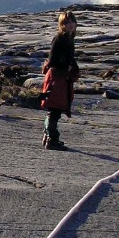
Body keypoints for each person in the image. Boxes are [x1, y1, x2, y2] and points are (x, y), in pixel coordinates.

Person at [40, 10, 80, 150]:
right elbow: (52, 61)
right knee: (55, 109)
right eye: (67, 22)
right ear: (62, 24)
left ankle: (49, 137)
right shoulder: (60, 39)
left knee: (55, 109)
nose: (70, 24)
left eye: (72, 22)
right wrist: (67, 67)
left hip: (61, 78)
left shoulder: (68, 38)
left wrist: (72, 67)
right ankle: (52, 139)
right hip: (57, 78)